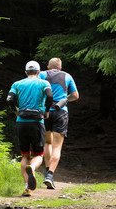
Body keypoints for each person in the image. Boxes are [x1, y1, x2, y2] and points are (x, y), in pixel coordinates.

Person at [7, 60, 53, 196]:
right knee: (39, 154)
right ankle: (32, 168)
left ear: (26, 72)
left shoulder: (17, 84)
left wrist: (16, 111)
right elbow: (49, 95)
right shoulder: (44, 83)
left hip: (21, 122)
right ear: (39, 72)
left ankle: (27, 187)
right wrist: (47, 110)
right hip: (37, 122)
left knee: (25, 155)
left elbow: (9, 99)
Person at [39, 57, 79, 190]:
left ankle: (47, 172)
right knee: (57, 147)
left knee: (47, 143)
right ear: (60, 68)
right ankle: (50, 175)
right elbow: (75, 95)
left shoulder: (42, 74)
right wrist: (65, 99)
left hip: (45, 112)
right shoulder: (67, 76)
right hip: (61, 112)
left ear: (48, 67)